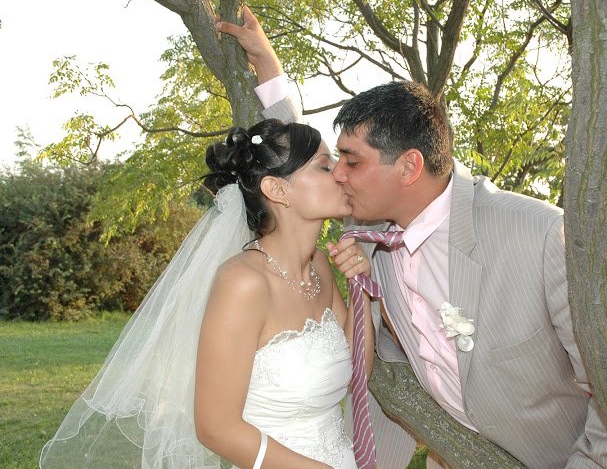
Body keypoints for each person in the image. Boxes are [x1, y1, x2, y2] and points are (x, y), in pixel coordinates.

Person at [215, 7, 607, 469]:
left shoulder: (541, 236)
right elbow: (298, 175)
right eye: (335, 164)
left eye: (351, 162)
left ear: (409, 167)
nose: (338, 175)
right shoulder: (367, 228)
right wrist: (268, 68)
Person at [39, 118, 372, 469]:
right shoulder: (243, 282)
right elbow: (215, 429)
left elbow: (357, 374)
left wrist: (360, 285)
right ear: (277, 189)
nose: (341, 174)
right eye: (324, 166)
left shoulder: (319, 265)